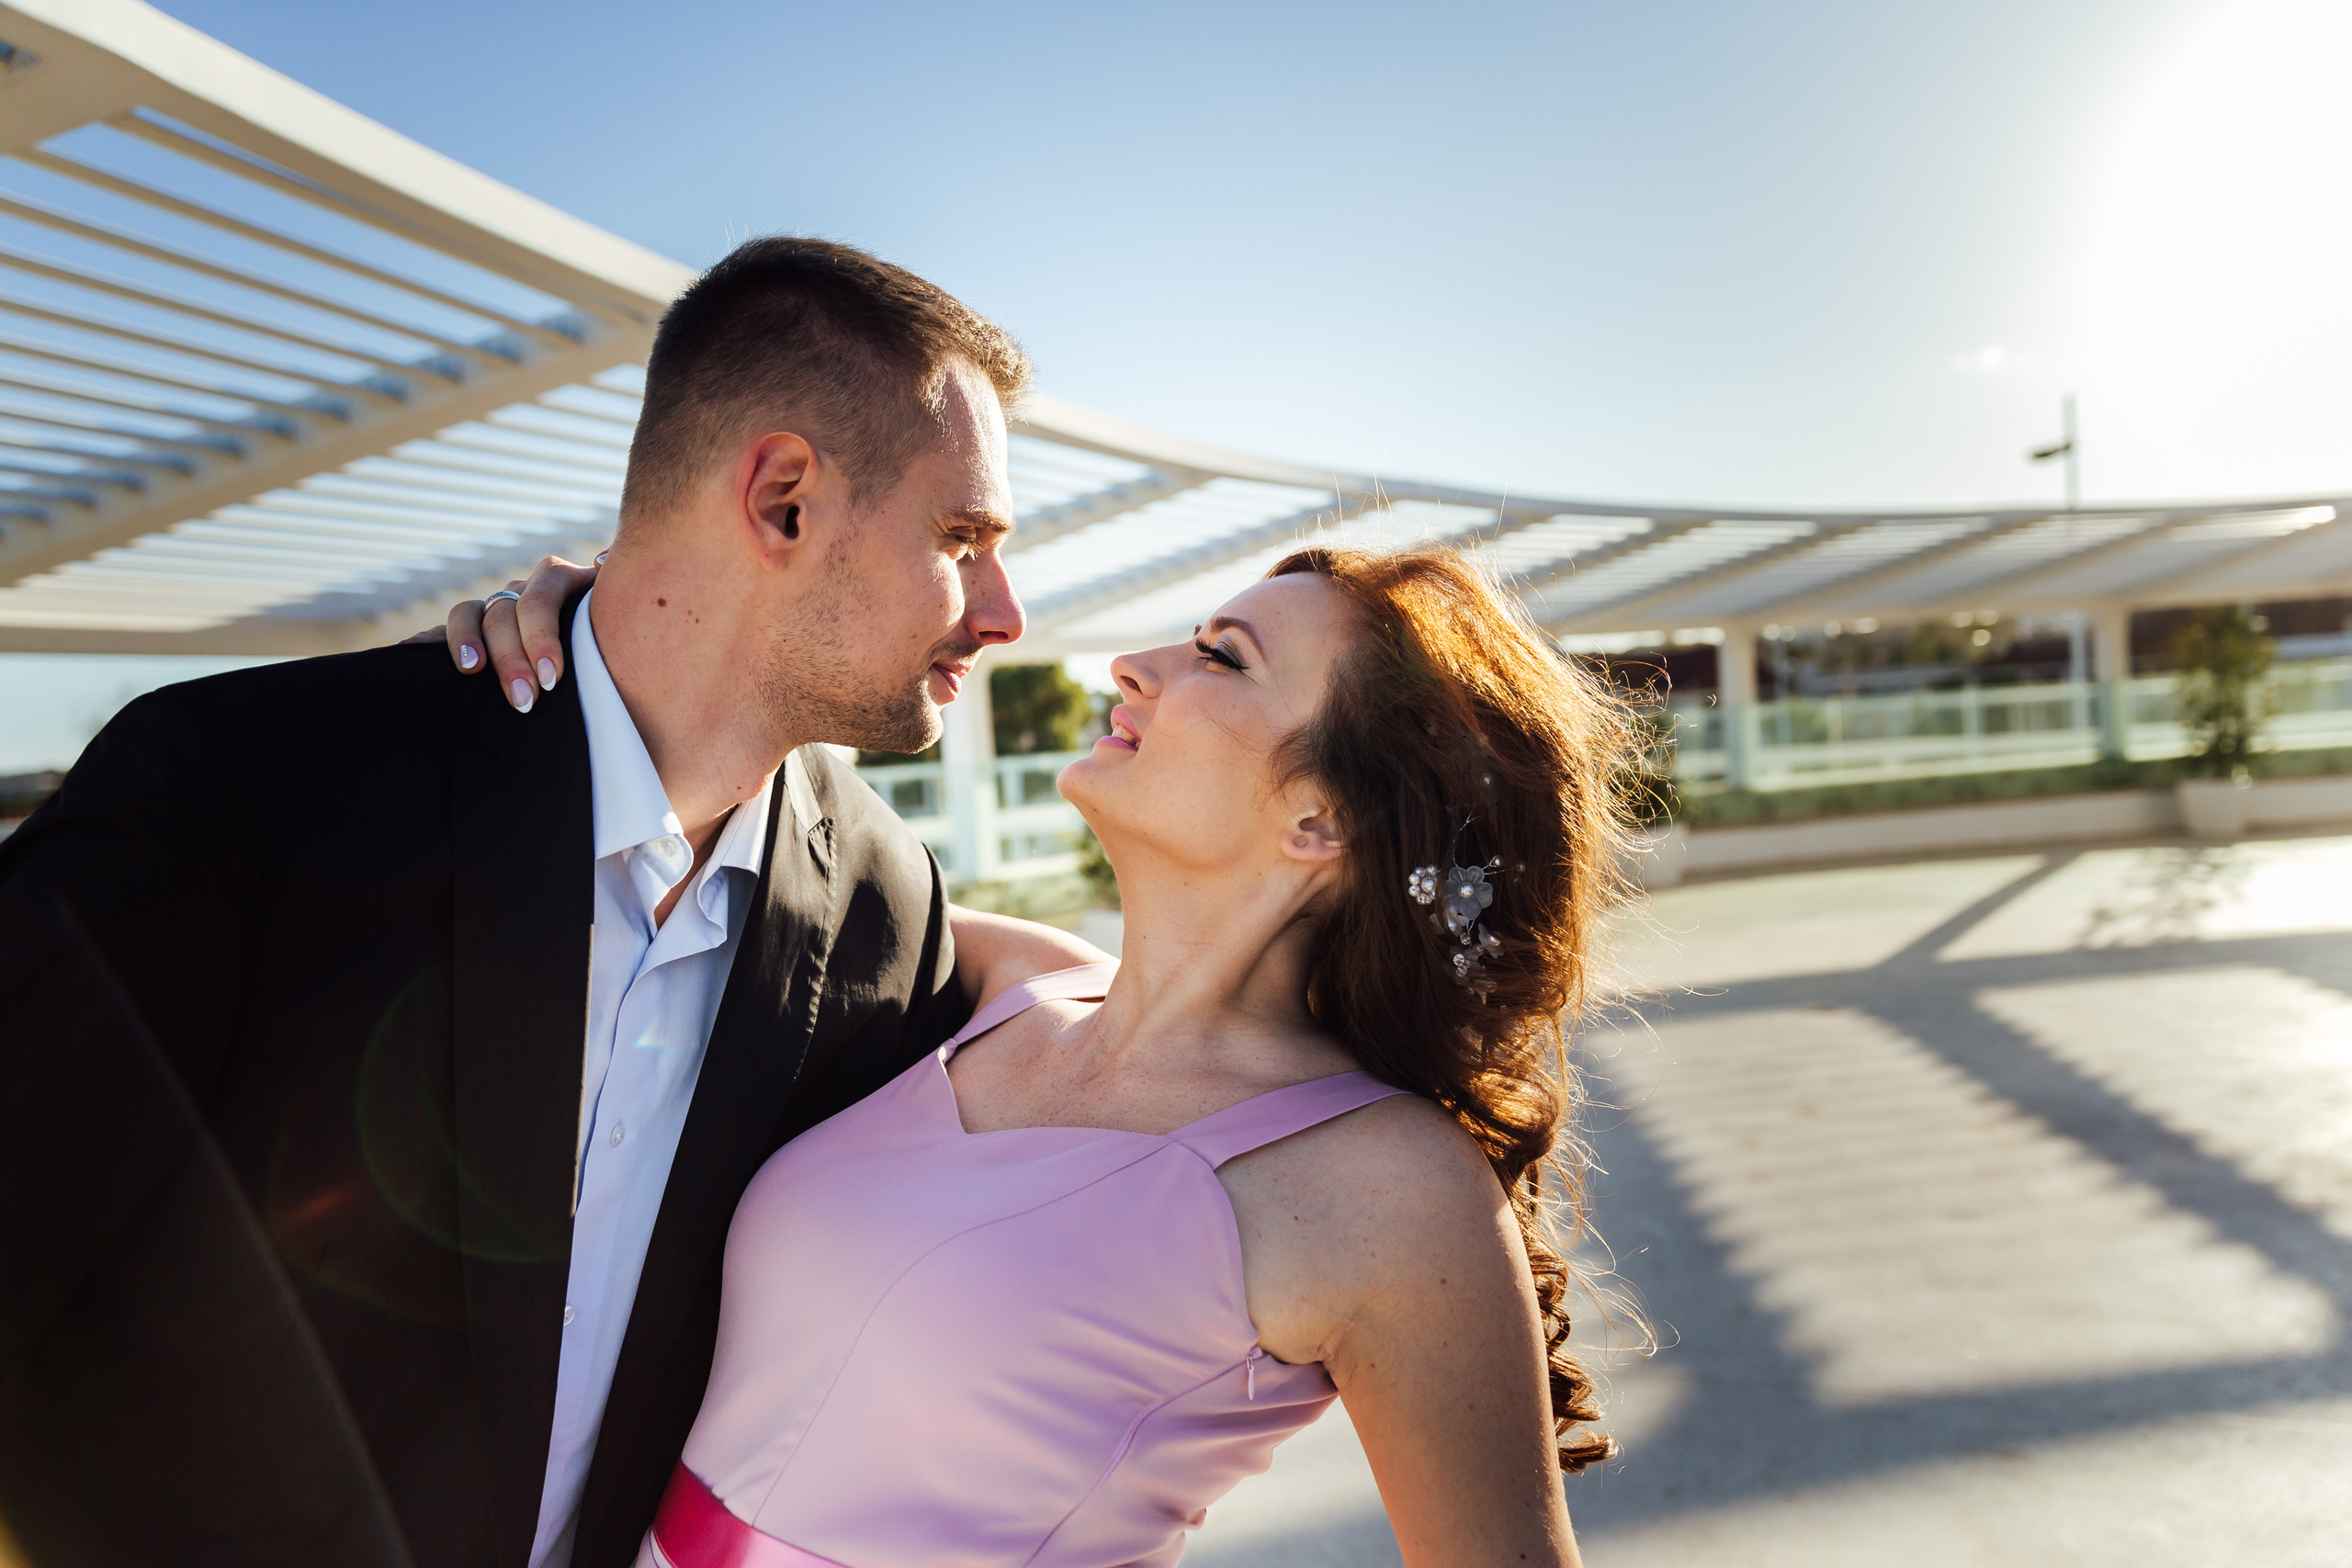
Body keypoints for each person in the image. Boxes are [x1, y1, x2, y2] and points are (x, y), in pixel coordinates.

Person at [0, 238, 1035, 1568]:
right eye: (965, 539)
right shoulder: (245, 788)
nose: (1005, 610)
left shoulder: (889, 909)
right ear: (781, 499)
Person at [442, 536, 1641, 1567]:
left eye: (1222, 658)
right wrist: (622, 632)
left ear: (1322, 818)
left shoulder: (1391, 1185)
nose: (1137, 666)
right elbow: (709, 853)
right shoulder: (997, 979)